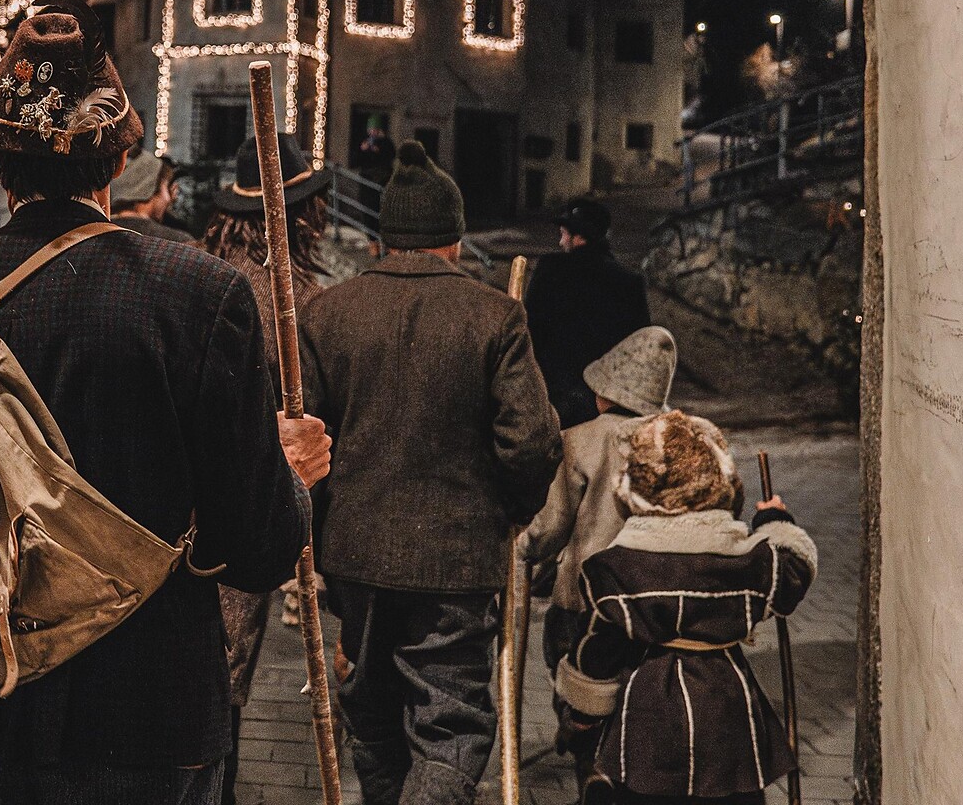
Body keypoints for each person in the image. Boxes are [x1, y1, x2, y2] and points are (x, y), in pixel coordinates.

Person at [0, 0, 329, 805]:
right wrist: (289, 474)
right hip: (149, 710)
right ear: (119, 160)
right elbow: (255, 549)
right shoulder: (201, 297)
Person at [302, 141, 562, 805]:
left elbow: (305, 441)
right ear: (454, 236)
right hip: (455, 557)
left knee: (372, 713)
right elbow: (531, 442)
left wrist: (323, 530)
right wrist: (513, 508)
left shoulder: (328, 312)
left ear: (387, 238)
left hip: (354, 556)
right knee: (452, 725)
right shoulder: (494, 314)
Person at [556, 411, 816, 805]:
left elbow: (597, 650)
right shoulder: (746, 562)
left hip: (648, 715)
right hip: (727, 710)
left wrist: (583, 715)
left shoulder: (613, 571)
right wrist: (774, 521)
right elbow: (794, 569)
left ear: (635, 492)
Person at [199, 132, 333, 805]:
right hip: (240, 518)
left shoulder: (191, 271)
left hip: (175, 521)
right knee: (220, 694)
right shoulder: (299, 306)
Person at [519, 326, 678, 787]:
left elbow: (549, 528)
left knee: (577, 676)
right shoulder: (675, 440)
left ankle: (589, 759)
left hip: (587, 596)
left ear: (606, 391)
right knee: (634, 685)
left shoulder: (583, 440)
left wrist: (522, 550)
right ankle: (625, 764)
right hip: (653, 597)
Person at [524, 196, 653, 430]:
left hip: (554, 397)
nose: (561, 241)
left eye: (563, 233)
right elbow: (639, 346)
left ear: (578, 236)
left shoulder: (551, 269)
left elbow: (530, 328)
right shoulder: (629, 282)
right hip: (604, 402)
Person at [110, 149, 197, 243]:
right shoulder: (177, 241)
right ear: (149, 188)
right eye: (166, 187)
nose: (172, 198)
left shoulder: (98, 230)